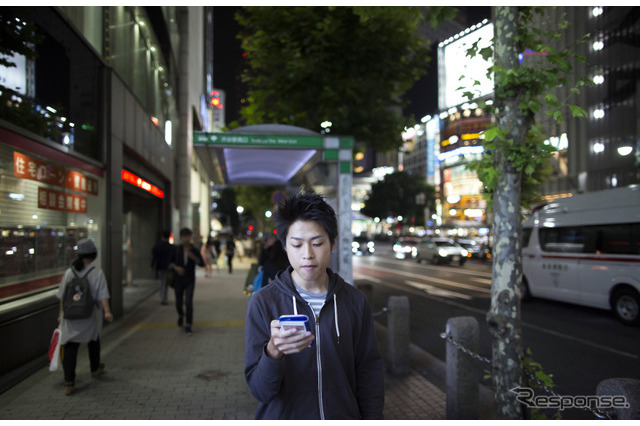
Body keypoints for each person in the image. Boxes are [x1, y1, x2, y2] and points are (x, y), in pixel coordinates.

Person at [244, 193, 384, 419]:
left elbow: (369, 375)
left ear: (333, 243)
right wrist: (273, 352)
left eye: (317, 243)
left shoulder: (355, 301)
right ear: (285, 247)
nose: (307, 255)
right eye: (297, 245)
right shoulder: (263, 302)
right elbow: (260, 391)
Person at [57, 238, 113, 396]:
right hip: (90, 315)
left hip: (70, 316)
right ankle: (95, 368)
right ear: (93, 255)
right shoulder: (97, 273)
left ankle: (69, 382)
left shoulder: (69, 272)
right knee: (94, 340)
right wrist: (107, 311)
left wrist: (61, 315)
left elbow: (63, 296)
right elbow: (103, 295)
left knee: (70, 347)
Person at [170, 228, 204, 335]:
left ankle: (189, 324)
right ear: (181, 237)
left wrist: (193, 257)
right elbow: (169, 262)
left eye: (188, 236)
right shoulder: (176, 249)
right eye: (184, 237)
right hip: (178, 279)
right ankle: (181, 315)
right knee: (179, 301)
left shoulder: (194, 250)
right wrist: (176, 268)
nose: (186, 239)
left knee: (189, 301)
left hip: (190, 279)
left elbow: (202, 263)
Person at [150, 230, 175, 305]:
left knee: (162, 282)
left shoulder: (157, 246)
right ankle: (164, 298)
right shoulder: (171, 247)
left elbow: (154, 257)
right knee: (165, 283)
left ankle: (163, 297)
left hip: (160, 266)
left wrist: (152, 266)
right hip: (168, 267)